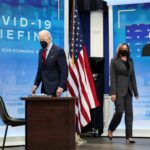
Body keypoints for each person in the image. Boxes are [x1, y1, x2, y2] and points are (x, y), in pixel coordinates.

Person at [108, 43, 139, 143]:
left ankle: (129, 136)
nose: (125, 50)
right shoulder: (114, 61)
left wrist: (136, 92)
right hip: (118, 91)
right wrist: (113, 93)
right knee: (119, 112)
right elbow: (112, 77)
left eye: (126, 48)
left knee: (129, 114)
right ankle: (111, 128)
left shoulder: (130, 61)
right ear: (119, 50)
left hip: (129, 91)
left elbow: (132, 77)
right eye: (123, 48)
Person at [32, 30, 68, 97]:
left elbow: (64, 71)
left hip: (56, 89)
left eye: (43, 39)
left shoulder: (58, 51)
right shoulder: (41, 52)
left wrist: (61, 87)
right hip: (44, 88)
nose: (41, 42)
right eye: (40, 40)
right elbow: (40, 70)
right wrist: (35, 84)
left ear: (49, 38)